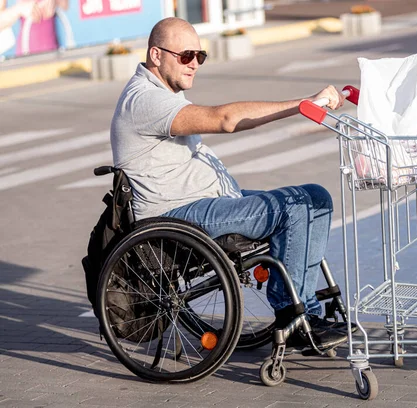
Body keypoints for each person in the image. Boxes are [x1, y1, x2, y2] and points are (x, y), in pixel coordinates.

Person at [110, 17, 347, 349]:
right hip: (179, 216)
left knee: (316, 198)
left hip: (209, 203)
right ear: (156, 55)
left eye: (200, 56)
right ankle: (294, 314)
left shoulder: (164, 91)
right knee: (294, 208)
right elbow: (225, 119)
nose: (194, 64)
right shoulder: (145, 100)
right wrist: (304, 104)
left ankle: (303, 306)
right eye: (186, 56)